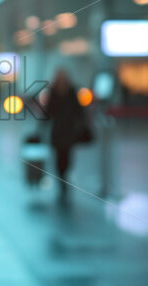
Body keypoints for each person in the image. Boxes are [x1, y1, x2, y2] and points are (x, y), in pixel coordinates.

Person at [45, 69, 89, 204]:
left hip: (69, 130)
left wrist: (82, 123)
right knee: (59, 157)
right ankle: (61, 179)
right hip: (58, 130)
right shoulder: (52, 91)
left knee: (68, 155)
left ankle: (65, 177)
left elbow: (79, 110)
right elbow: (47, 112)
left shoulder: (72, 91)